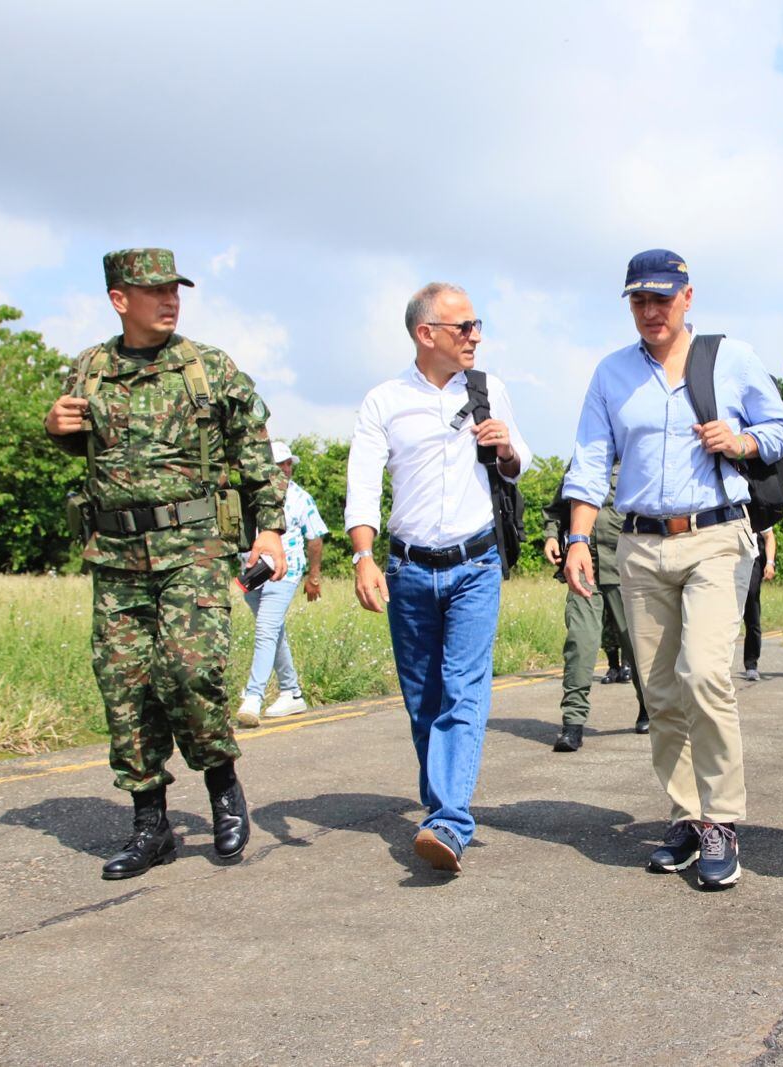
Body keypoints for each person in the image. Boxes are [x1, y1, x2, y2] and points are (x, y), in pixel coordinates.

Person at [43, 248, 286, 880]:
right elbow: (79, 442)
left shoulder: (208, 367)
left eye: (173, 289)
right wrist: (55, 427)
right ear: (119, 299)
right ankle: (150, 825)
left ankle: (221, 784)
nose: (169, 300)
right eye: (152, 291)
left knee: (187, 672)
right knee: (125, 689)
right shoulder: (90, 368)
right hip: (116, 555)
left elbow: (255, 452)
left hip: (193, 549)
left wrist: (272, 532)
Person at [562, 248, 783, 891]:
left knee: (705, 674)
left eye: (661, 298)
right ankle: (687, 817)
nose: (650, 311)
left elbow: (780, 428)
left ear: (688, 298)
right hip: (638, 546)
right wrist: (579, 540)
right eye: (638, 300)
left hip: (715, 536)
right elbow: (587, 463)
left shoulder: (730, 360)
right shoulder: (610, 374)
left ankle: (723, 820)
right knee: (659, 690)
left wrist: (741, 440)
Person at [345, 282, 531, 873]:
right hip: (407, 568)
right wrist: (363, 556)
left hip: (475, 563)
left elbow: (521, 460)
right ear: (427, 335)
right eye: (464, 327)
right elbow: (362, 483)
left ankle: (450, 819)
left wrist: (505, 448)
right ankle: (440, 804)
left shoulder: (488, 388)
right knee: (422, 697)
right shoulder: (383, 401)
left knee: (464, 688)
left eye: (478, 326)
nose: (475, 336)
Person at [543, 459, 649, 752]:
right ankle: (572, 724)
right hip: (584, 567)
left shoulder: (636, 454)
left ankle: (649, 707)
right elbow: (558, 507)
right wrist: (552, 536)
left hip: (627, 567)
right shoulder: (581, 461)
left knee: (637, 645)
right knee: (580, 643)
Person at [236, 439, 329, 727]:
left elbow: (315, 538)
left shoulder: (301, 498)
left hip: (284, 572)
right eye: (280, 464)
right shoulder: (248, 496)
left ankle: (253, 696)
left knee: (266, 629)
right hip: (252, 573)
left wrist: (314, 576)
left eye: (288, 463)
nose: (286, 469)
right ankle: (292, 691)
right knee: (273, 632)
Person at [740, 529, 776, 681]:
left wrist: (769, 563)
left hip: (752, 560)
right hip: (729, 559)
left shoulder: (753, 506)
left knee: (752, 606)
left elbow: (769, 536)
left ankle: (751, 665)